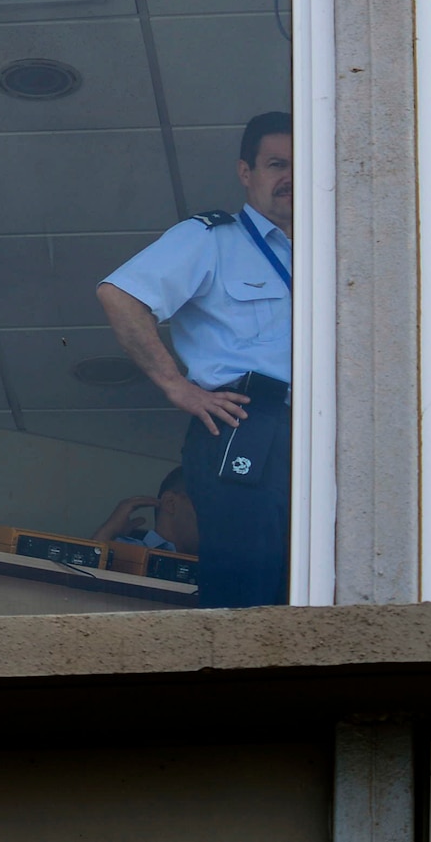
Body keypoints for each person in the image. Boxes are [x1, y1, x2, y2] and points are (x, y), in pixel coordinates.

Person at [97, 110, 293, 608]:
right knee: (246, 579)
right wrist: (176, 385)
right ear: (245, 173)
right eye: (276, 164)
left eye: (300, 164)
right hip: (246, 417)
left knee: (301, 581)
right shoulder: (212, 238)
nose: (290, 177)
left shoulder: (329, 252)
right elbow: (120, 295)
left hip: (314, 427)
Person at [92, 466, 200, 556]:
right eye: (207, 506)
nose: (215, 517)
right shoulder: (120, 550)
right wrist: (107, 532)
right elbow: (82, 576)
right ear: (170, 502)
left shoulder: (214, 564)